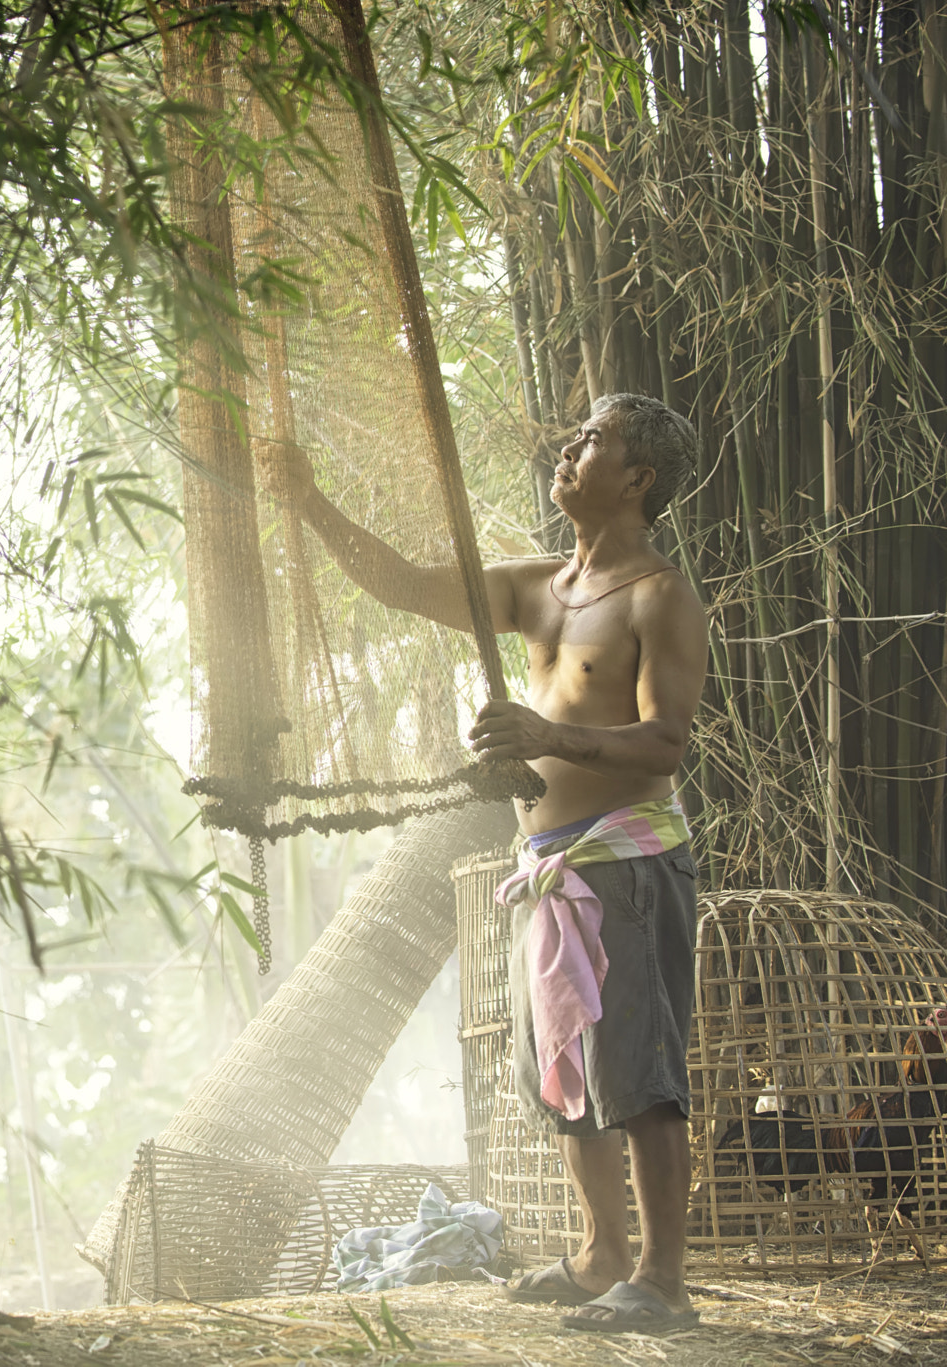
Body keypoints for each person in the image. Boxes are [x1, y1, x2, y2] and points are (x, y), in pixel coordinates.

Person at [284, 393, 708, 1334]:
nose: (571, 446)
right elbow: (402, 583)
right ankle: (602, 1256)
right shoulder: (540, 587)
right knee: (567, 1071)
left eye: (593, 439)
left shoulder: (658, 594)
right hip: (548, 863)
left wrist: (548, 731)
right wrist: (311, 504)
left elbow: (667, 743)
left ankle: (664, 1279)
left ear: (638, 478)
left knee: (638, 1073)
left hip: (626, 862)